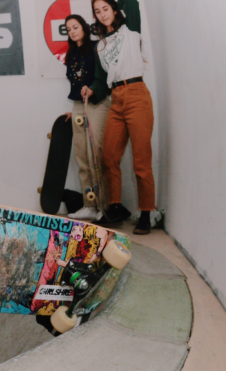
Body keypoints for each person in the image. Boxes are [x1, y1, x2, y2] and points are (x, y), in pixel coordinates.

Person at [85, 0, 155, 234]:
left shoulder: (130, 30)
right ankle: (116, 207)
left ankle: (146, 212)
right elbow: (99, 79)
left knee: (141, 160)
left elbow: (131, 3)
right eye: (97, 11)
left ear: (115, 10)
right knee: (108, 157)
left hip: (136, 94)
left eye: (106, 8)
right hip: (116, 98)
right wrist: (92, 90)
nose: (102, 14)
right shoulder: (100, 47)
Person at [62, 14, 110, 221]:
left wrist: (90, 92)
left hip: (96, 103)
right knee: (81, 157)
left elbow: (103, 79)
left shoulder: (96, 48)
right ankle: (89, 205)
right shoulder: (71, 54)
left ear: (84, 27)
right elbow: (75, 85)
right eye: (69, 29)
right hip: (79, 105)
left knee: (95, 157)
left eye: (75, 27)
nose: (72, 31)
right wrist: (75, 110)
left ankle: (104, 207)